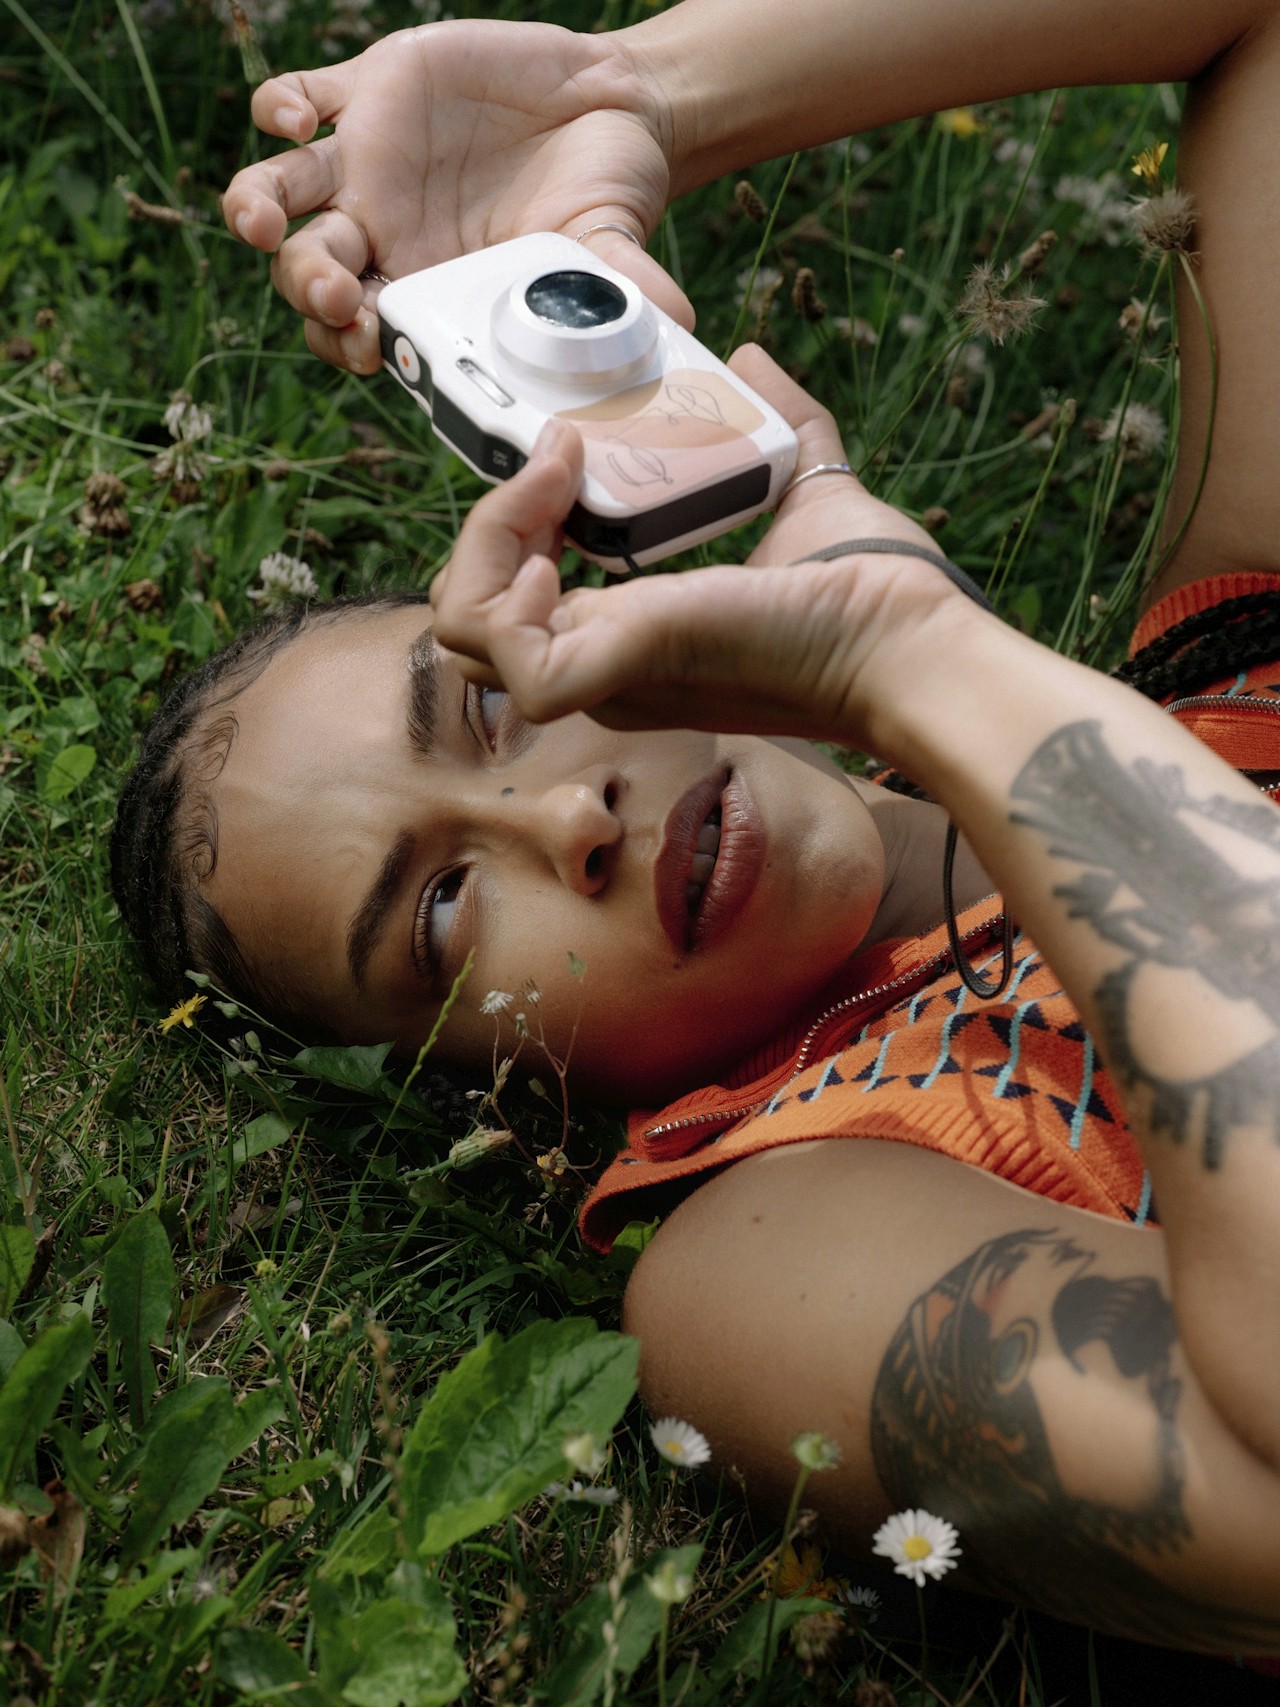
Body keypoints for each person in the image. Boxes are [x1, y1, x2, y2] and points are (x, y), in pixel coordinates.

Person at [116, 0, 1280, 1653]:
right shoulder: (768, 1255)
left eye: (492, 709)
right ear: (489, 1088)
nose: (565, 825)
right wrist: (916, 661)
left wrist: (641, 92)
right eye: (443, 916)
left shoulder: (1242, 644)